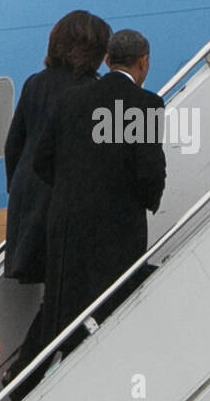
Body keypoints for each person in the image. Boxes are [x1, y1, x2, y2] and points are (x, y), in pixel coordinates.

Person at [34, 29, 166, 364]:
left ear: (107, 60)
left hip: (66, 226)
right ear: (144, 62)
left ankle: (33, 373)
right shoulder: (144, 104)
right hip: (117, 230)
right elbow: (149, 170)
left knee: (66, 311)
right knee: (114, 308)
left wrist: (71, 191)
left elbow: (41, 160)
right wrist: (145, 201)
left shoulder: (70, 100)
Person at [1, 10, 111, 400]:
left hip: (29, 205)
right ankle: (25, 376)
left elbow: (14, 147)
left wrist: (20, 195)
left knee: (63, 295)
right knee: (73, 295)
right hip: (63, 208)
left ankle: (29, 374)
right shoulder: (93, 93)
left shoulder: (34, 85)